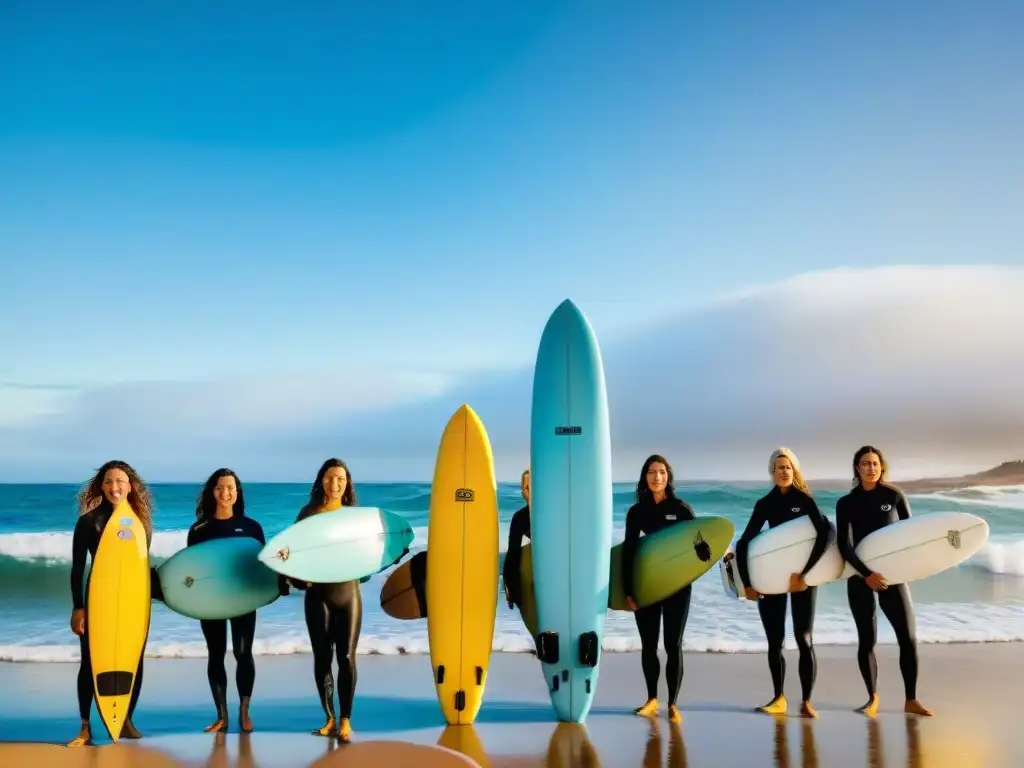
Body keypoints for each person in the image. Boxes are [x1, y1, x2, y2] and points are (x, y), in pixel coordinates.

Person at [67, 460, 164, 747]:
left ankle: (125, 719)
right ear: (101, 486)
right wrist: (78, 607)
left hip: (134, 601)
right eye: (108, 481)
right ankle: (85, 726)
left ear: (130, 486)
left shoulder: (140, 524)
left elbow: (138, 566)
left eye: (120, 481)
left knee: (133, 659)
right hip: (99, 600)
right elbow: (77, 568)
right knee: (90, 661)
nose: (114, 487)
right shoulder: (88, 522)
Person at [732, 447, 831, 718]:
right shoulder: (765, 504)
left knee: (803, 638)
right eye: (779, 468)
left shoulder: (805, 500)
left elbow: (825, 535)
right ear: (772, 472)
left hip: (802, 577)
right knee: (774, 641)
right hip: (773, 578)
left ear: (794, 470)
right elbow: (744, 543)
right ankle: (778, 698)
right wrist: (749, 584)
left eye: (788, 467)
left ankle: (807, 701)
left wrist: (806, 574)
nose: (783, 471)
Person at [837, 445, 932, 717]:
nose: (870, 467)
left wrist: (908, 568)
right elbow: (844, 545)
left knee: (908, 638)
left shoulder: (893, 495)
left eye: (875, 463)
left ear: (882, 466)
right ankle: (872, 697)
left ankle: (911, 699)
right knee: (867, 640)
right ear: (857, 468)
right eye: (865, 463)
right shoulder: (846, 502)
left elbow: (910, 535)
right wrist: (866, 574)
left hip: (892, 576)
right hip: (859, 577)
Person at [187, 468, 281, 733]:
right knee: (215, 654)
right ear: (212, 492)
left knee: (242, 652)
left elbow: (260, 565)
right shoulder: (199, 529)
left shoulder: (251, 527)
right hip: (211, 601)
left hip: (242, 597)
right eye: (220, 488)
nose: (225, 493)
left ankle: (243, 711)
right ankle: (221, 715)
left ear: (237, 492)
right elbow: (190, 569)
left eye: (230, 488)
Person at [287, 458, 363, 742]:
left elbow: (366, 555)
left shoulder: (354, 517)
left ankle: (346, 720)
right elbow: (292, 551)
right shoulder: (308, 513)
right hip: (317, 595)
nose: (335, 484)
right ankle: (329, 718)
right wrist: (291, 572)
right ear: (321, 480)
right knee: (322, 657)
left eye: (341, 479)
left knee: (345, 656)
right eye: (330, 478)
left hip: (347, 594)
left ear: (347, 483)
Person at [622, 454, 696, 724]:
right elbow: (628, 552)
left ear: (668, 476)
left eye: (661, 472)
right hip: (647, 586)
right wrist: (628, 590)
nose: (657, 477)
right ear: (645, 477)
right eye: (652, 472)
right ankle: (652, 699)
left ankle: (673, 704)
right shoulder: (637, 512)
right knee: (649, 645)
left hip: (677, 587)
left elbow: (696, 545)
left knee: (672, 644)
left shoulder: (681, 509)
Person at [502, 469, 530, 609]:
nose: (529, 490)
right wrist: (510, 587)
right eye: (525, 487)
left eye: (533, 486)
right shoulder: (521, 517)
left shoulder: (556, 511)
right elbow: (513, 553)